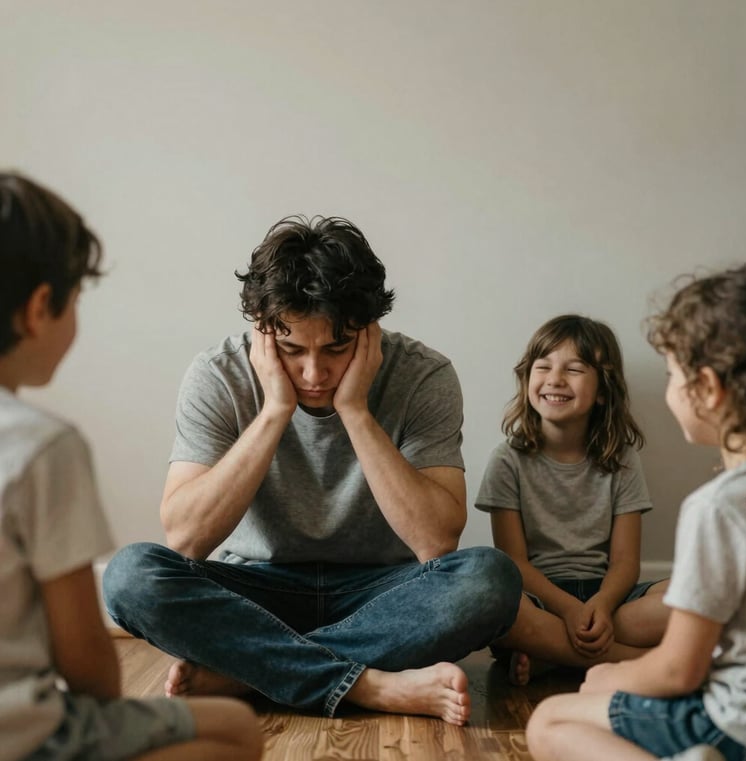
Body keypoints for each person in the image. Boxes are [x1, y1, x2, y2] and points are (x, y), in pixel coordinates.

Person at [103, 214, 521, 725]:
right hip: (257, 591)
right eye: (291, 350)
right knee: (130, 576)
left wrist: (357, 411)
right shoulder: (218, 374)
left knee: (490, 579)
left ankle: (250, 670)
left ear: (369, 328)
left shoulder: (423, 373)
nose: (313, 374)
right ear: (261, 328)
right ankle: (371, 686)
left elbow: (435, 543)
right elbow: (186, 537)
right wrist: (275, 409)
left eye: (336, 349)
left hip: (384, 594)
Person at [0, 172, 263, 761]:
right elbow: (89, 666)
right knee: (239, 736)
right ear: (41, 307)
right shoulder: (43, 447)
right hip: (25, 736)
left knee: (225, 720)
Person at [526, 264, 746, 761]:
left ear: (707, 388)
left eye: (671, 375)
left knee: (550, 719)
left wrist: (611, 674)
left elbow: (680, 672)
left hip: (740, 727)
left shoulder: (721, 505)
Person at [475, 315, 669, 685]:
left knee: (685, 599)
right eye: (543, 366)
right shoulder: (507, 459)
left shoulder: (622, 459)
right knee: (489, 605)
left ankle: (554, 653)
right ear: (527, 379)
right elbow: (514, 562)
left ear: (601, 391)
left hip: (608, 596)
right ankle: (642, 665)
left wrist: (601, 606)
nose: (555, 379)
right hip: (539, 598)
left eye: (574, 369)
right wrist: (567, 610)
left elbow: (626, 561)